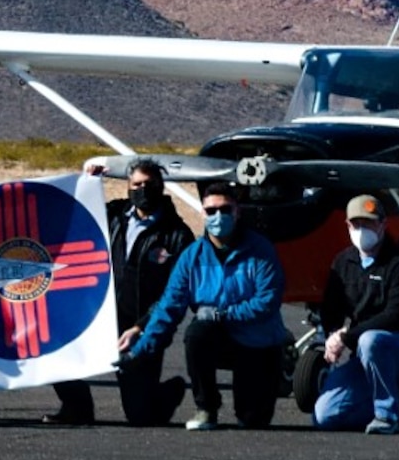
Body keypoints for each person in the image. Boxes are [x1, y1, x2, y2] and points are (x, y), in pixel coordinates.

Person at [121, 182, 287, 430]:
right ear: (202, 213)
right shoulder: (192, 256)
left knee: (253, 420)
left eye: (225, 210)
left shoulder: (261, 250)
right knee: (197, 333)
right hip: (216, 338)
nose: (218, 216)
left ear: (237, 211)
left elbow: (268, 301)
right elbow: (169, 306)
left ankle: (273, 370)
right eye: (211, 211)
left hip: (257, 341)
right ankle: (206, 407)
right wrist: (139, 352)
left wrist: (224, 314)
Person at [46, 158, 195, 425]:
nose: (143, 189)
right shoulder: (113, 216)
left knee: (141, 416)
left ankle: (169, 391)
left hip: (141, 326)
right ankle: (76, 405)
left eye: (149, 184)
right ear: (128, 187)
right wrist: (88, 183)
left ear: (161, 186)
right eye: (137, 184)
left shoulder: (178, 235)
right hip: (99, 314)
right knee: (55, 347)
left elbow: (175, 294)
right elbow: (75, 215)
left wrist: (140, 327)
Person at [312, 193, 399, 435]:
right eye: (356, 224)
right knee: (325, 416)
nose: (362, 229)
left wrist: (346, 336)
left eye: (369, 223)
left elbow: (395, 315)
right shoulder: (343, 262)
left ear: (383, 225)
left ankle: (388, 416)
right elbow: (331, 308)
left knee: (371, 339)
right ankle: (396, 397)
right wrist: (332, 336)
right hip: (365, 354)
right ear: (347, 226)